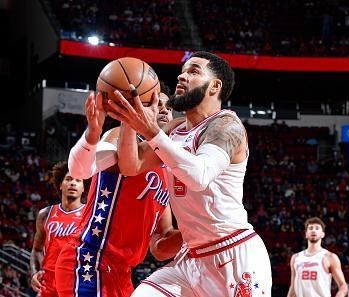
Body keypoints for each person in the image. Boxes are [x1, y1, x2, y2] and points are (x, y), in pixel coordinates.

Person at [107, 51, 272, 297]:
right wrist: (129, 119)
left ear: (215, 86)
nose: (182, 76)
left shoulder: (226, 126)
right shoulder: (174, 128)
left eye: (194, 71)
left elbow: (199, 175)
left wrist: (152, 132)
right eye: (183, 71)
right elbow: (131, 166)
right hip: (190, 258)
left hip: (233, 254)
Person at [54, 84, 182, 297]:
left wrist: (196, 233)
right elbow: (84, 168)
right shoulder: (119, 136)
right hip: (91, 259)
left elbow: (160, 246)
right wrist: (92, 135)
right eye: (154, 103)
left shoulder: (166, 168)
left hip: (122, 273)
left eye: (168, 107)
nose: (163, 109)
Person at [30, 161, 86, 296]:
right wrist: (34, 272)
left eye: (78, 180)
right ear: (60, 185)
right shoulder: (45, 214)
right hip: (48, 283)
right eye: (68, 179)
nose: (73, 183)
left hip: (76, 281)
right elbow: (36, 249)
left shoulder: (89, 216)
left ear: (83, 188)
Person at [287, 217, 348, 297]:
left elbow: (343, 285)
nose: (313, 230)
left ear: (323, 234)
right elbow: (293, 287)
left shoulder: (330, 257)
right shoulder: (295, 258)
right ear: (306, 234)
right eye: (310, 228)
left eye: (317, 228)